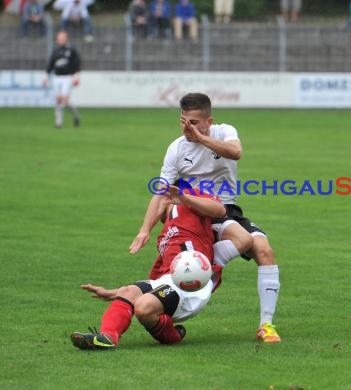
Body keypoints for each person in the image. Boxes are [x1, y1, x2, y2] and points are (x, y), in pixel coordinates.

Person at [129, 93, 282, 343]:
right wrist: (144, 229)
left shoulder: (224, 132)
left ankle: (266, 325)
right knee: (242, 241)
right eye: (183, 121)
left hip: (224, 209)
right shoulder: (176, 148)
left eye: (194, 122)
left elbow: (236, 152)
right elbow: (162, 193)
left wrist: (201, 138)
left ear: (209, 121)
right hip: (190, 213)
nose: (187, 127)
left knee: (263, 249)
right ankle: (197, 275)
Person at [71, 186, 228, 350]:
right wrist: (115, 293)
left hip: (191, 282)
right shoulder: (164, 238)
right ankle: (107, 337)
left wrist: (185, 198)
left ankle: (171, 335)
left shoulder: (190, 204)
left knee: (144, 307)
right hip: (170, 282)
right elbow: (156, 282)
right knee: (129, 292)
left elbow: (219, 210)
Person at [43, 31, 81, 129]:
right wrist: (46, 77)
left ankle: (76, 115)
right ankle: (58, 123)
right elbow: (50, 65)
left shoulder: (71, 50)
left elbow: (77, 64)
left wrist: (77, 77)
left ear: (66, 39)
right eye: (59, 38)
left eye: (62, 38)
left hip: (67, 77)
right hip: (56, 78)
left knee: (64, 100)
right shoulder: (55, 51)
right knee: (58, 100)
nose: (60, 40)